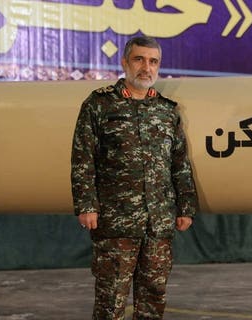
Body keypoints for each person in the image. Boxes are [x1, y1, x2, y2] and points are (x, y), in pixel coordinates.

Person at [71, 36, 199, 319]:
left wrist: (186, 208)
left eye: (153, 61)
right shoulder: (100, 104)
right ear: (125, 63)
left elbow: (179, 163)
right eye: (139, 59)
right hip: (116, 221)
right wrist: (86, 205)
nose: (146, 67)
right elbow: (83, 158)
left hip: (158, 222)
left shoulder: (167, 110)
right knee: (110, 300)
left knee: (153, 297)